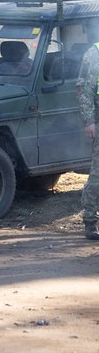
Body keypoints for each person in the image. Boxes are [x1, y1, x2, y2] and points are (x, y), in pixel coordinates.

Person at [79, 35, 99, 239]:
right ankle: (90, 221)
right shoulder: (95, 53)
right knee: (98, 174)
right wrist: (90, 121)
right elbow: (85, 90)